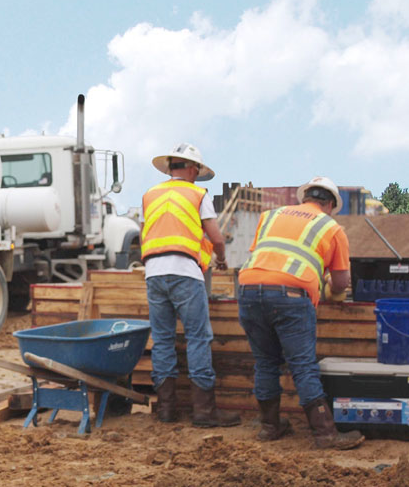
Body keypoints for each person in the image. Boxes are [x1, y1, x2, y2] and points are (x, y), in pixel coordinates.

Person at [238, 176, 364, 449]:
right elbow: (342, 283)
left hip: (248, 290)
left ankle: (270, 427)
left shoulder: (269, 216)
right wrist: (327, 284)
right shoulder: (331, 227)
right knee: (303, 366)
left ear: (304, 197)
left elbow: (268, 257)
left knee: (266, 362)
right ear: (330, 204)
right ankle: (325, 434)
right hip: (291, 296)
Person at [142, 143, 240, 427]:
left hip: (154, 273)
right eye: (196, 171)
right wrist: (220, 259)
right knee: (198, 338)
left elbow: (145, 233)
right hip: (185, 272)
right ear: (192, 168)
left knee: (162, 340)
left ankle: (166, 410)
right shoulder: (198, 194)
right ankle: (204, 412)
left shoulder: (150, 194)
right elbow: (217, 238)